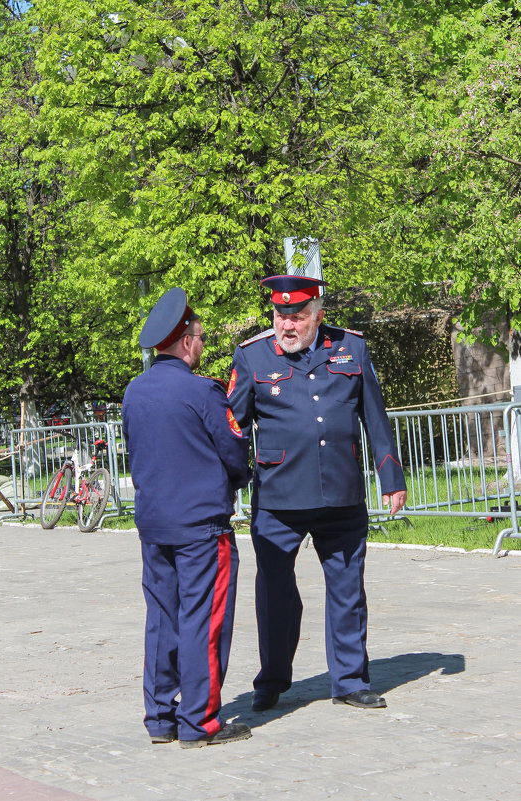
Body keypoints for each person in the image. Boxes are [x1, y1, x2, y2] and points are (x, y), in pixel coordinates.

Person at [228, 275, 407, 712]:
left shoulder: (351, 348)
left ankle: (349, 680)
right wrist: (221, 483)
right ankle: (271, 680)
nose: (287, 325)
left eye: (297, 317)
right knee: (274, 594)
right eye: (280, 316)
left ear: (318, 316)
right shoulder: (252, 356)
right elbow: (231, 428)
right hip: (278, 499)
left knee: (347, 590)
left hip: (341, 495)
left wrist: (391, 478)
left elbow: (375, 418)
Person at [122, 288, 252, 748]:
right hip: (202, 526)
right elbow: (234, 452)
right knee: (205, 619)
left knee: (162, 618)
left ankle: (160, 716)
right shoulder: (203, 391)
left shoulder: (135, 392)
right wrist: (240, 477)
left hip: (155, 523)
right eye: (199, 336)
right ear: (184, 340)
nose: (201, 343)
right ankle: (201, 722)